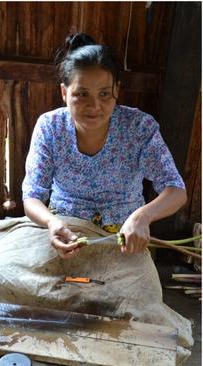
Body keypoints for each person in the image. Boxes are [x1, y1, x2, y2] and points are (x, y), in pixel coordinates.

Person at [22, 33, 187, 257]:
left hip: (124, 238)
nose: (94, 106)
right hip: (66, 233)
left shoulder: (138, 128)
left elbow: (176, 190)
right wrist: (52, 224)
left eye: (104, 94)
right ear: (64, 92)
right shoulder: (50, 127)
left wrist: (141, 217)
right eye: (82, 94)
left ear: (116, 90)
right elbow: (32, 196)